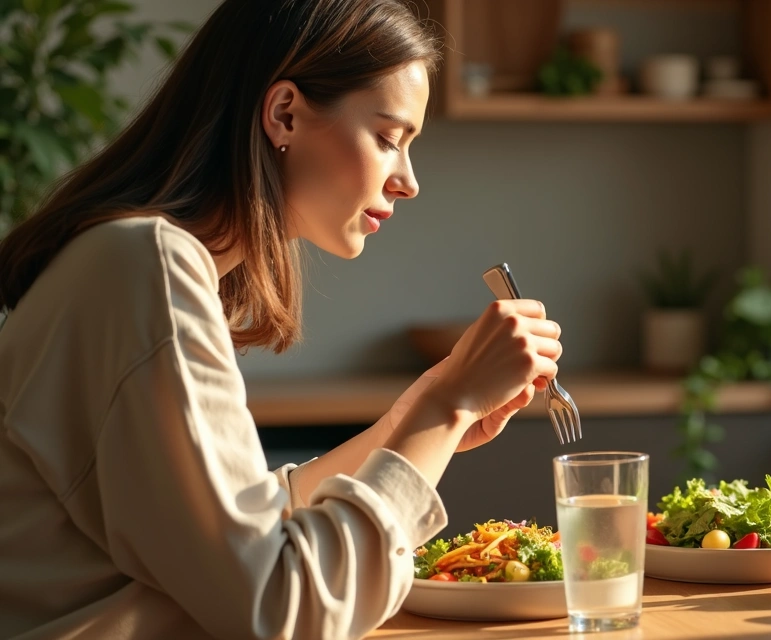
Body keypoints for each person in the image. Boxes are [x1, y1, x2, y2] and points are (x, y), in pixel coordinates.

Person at [0, 1, 563, 638]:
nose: (407, 180)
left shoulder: (131, 260)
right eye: (387, 138)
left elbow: (248, 525)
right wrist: (450, 406)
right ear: (284, 113)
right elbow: (277, 605)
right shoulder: (148, 264)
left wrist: (421, 409)